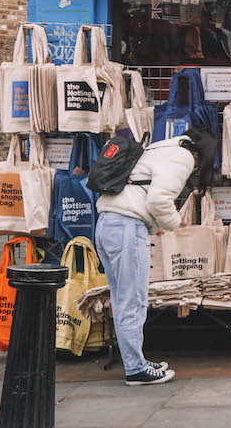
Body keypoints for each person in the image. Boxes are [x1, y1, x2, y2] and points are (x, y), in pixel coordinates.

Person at [95, 125, 217, 386]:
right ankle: (136, 369)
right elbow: (158, 200)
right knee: (133, 301)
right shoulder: (183, 157)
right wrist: (174, 223)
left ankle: (134, 360)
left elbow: (143, 189)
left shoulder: (162, 147)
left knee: (122, 299)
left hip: (107, 223)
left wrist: (155, 225)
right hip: (127, 228)